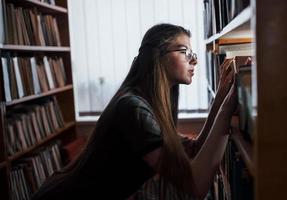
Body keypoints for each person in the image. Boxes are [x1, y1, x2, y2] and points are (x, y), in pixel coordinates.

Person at [31, 23, 237, 200]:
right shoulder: (134, 109)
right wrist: (227, 109)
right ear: (158, 56)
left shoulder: (149, 104)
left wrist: (219, 99)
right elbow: (196, 186)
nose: (194, 60)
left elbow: (193, 149)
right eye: (185, 52)